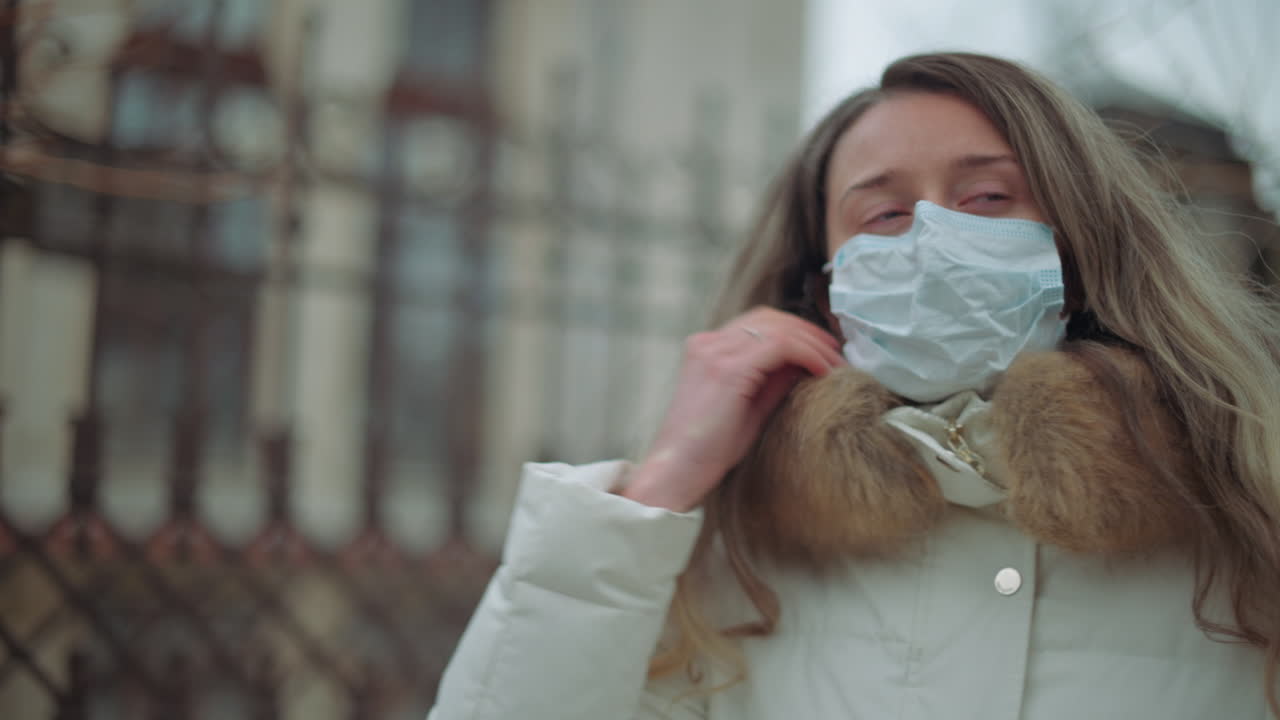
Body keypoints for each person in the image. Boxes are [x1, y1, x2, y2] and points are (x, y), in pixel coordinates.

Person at [428, 52, 1280, 719]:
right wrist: (658, 489)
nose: (938, 233)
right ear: (822, 289)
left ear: (1082, 240)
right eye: (884, 214)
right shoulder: (737, 554)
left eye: (987, 196)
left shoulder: (1246, 514)